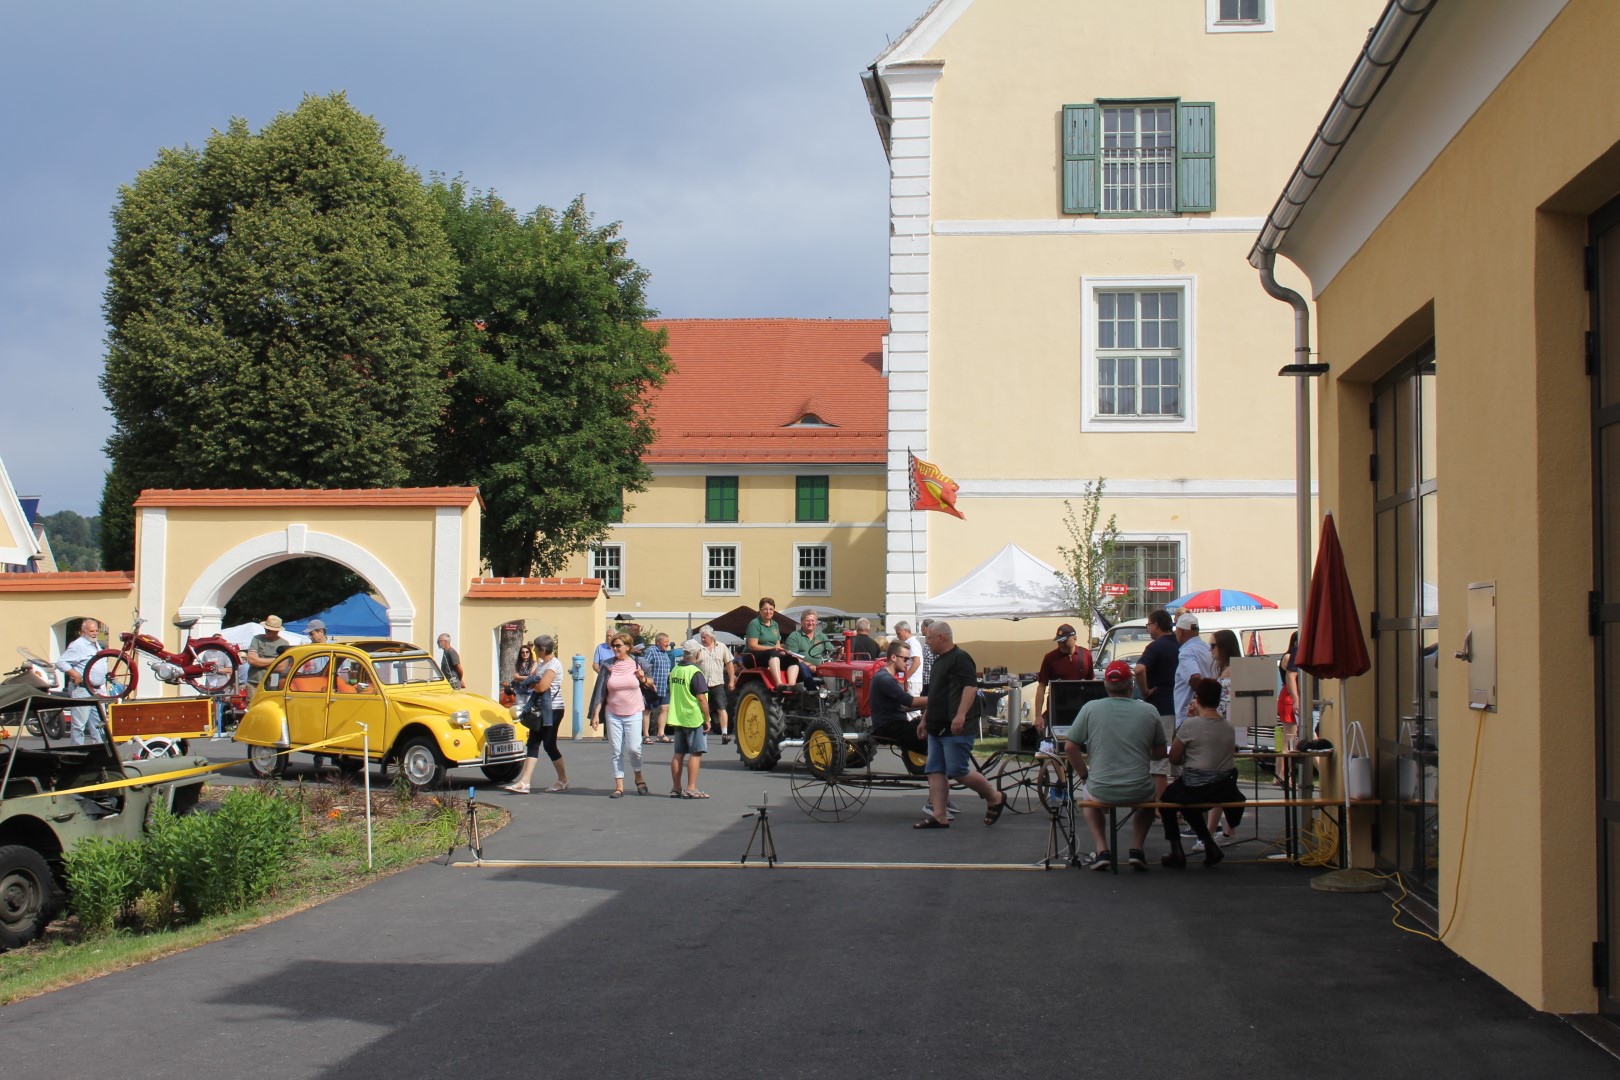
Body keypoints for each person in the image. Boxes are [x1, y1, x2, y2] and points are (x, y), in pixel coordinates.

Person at [1066, 660, 1167, 871]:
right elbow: (1159, 753)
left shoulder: (1090, 708)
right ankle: (1137, 849)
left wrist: (1084, 775)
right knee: (1148, 801)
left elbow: (1070, 747)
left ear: (1105, 686)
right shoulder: (1149, 711)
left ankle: (1102, 849)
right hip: (1139, 788)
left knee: (1088, 796)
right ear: (1132, 685)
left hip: (1101, 787)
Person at [914, 621, 1007, 829]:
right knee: (935, 770)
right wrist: (924, 719)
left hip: (956, 726)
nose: (926, 642)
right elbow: (935, 695)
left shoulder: (960, 658)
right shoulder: (939, 662)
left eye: (929, 638)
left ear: (942, 638)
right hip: (936, 726)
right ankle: (939, 815)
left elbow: (970, 688)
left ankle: (995, 797)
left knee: (958, 770)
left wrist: (961, 715)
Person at [1159, 678, 1244, 868]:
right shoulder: (1228, 727)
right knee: (1187, 803)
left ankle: (1177, 850)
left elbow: (1174, 757)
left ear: (1197, 698)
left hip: (1197, 785)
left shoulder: (1191, 725)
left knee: (1167, 801)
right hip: (1223, 787)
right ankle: (1209, 844)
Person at [589, 631, 652, 797]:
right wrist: (596, 714)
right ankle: (619, 785)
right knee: (615, 749)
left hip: (634, 711)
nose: (614, 649)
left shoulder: (639, 662)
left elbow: (652, 683)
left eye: (618, 646)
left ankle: (638, 776)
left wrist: (643, 678)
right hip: (613, 712)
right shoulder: (607, 665)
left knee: (634, 748)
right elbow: (601, 691)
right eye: (612, 646)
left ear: (628, 647)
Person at [504, 635, 569, 794]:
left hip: (552, 709)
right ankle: (525, 782)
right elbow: (534, 682)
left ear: (543, 649)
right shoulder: (541, 665)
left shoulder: (554, 664)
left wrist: (531, 682)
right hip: (539, 709)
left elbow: (541, 687)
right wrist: (532, 682)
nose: (534, 651)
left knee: (549, 744)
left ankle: (563, 780)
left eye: (537, 649)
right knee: (533, 743)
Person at [1200, 629, 1244, 844]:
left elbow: (1225, 705)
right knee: (1223, 781)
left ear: (1225, 646)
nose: (1211, 650)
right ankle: (1224, 830)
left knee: (1219, 781)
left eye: (1214, 645)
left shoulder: (1230, 672)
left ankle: (1214, 832)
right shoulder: (1227, 670)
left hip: (1223, 731)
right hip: (1224, 729)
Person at [1133, 609, 1179, 797]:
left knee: (1159, 759)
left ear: (1157, 625)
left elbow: (1139, 669)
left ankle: (1160, 806)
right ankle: (1180, 807)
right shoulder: (1180, 643)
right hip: (1182, 707)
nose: (1148, 628)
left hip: (1161, 706)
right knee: (1179, 759)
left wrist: (1145, 691)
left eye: (1149, 625)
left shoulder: (1155, 647)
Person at [666, 640, 712, 798]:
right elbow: (701, 698)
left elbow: (671, 692)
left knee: (678, 753)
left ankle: (676, 788)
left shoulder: (675, 670)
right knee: (696, 752)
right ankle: (691, 788)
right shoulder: (695, 672)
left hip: (677, 716)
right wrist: (707, 718)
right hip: (692, 717)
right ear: (696, 654)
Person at [1033, 622, 1095, 735]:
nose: (1061, 644)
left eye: (1064, 641)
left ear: (1075, 638)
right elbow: (1041, 687)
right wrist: (1038, 716)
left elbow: (1092, 683)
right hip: (1057, 711)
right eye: (1059, 641)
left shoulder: (1086, 655)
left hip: (1081, 710)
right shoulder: (1050, 658)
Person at [869, 640, 928, 756]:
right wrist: (937, 699)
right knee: (931, 739)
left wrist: (925, 706)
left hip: (895, 724)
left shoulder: (886, 677)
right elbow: (909, 701)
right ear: (894, 657)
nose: (907, 664)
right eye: (905, 659)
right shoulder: (884, 679)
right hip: (887, 727)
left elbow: (903, 706)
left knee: (931, 727)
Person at [55, 617, 104, 744]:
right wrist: (75, 674)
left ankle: (99, 753)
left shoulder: (96, 644)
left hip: (97, 690)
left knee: (99, 725)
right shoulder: (78, 645)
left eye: (96, 631)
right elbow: (61, 662)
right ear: (83, 632)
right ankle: (77, 752)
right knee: (79, 725)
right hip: (83, 689)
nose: (95, 633)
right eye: (92, 631)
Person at [745, 597, 799, 688]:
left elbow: (777, 644)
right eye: (765, 609)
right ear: (760, 610)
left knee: (793, 660)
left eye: (771, 609)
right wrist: (773, 649)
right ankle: (779, 684)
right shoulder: (755, 624)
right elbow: (752, 646)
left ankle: (791, 686)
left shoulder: (775, 625)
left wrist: (782, 651)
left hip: (772, 655)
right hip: (754, 656)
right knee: (773, 653)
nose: (768, 612)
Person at [1173, 613, 1217, 724]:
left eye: (1176, 630)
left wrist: (1203, 700)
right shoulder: (1207, 648)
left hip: (1189, 719)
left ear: (1181, 631)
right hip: (1208, 715)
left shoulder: (1187, 651)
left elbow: (1194, 677)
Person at [695, 625, 735, 743]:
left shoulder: (721, 647)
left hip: (717, 683)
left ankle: (724, 733)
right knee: (701, 708)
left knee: (721, 707)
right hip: (702, 683)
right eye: (702, 637)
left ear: (711, 637)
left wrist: (732, 680)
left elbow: (729, 663)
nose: (702, 640)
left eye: (705, 637)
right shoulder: (698, 649)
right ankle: (701, 732)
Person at [1275, 630, 1302, 789]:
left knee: (1287, 738)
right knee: (1289, 739)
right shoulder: (1290, 656)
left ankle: (1280, 774)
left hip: (1287, 697)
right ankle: (1284, 775)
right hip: (1290, 698)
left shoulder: (1287, 655)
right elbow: (1292, 677)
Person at [639, 631, 674, 741]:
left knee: (665, 708)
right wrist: (647, 682)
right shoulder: (651, 651)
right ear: (658, 642)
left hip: (663, 686)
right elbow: (644, 667)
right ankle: (646, 735)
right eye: (665, 642)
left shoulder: (665, 653)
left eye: (668, 642)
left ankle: (661, 734)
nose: (667, 644)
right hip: (651, 686)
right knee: (647, 710)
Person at [785, 609, 832, 689]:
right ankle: (813, 691)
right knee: (802, 666)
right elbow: (792, 657)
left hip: (820, 668)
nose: (810, 623)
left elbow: (832, 651)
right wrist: (809, 665)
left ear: (816, 622)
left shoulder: (821, 636)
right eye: (808, 621)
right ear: (801, 621)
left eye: (813, 621)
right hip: (801, 669)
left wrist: (840, 652)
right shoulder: (795, 636)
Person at [244, 615, 287, 694]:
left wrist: (259, 661)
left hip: (272, 685)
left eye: (270, 630)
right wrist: (275, 660)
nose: (266, 631)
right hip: (254, 683)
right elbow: (251, 660)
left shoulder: (284, 644)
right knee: (252, 705)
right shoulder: (257, 639)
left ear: (277, 631)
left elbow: (282, 667)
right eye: (266, 629)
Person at [892, 620, 924, 720]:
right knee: (908, 708)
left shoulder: (912, 643)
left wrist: (906, 677)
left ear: (905, 631)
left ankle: (916, 731)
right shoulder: (909, 643)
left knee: (912, 710)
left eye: (899, 633)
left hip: (911, 681)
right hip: (910, 680)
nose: (897, 636)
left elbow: (916, 662)